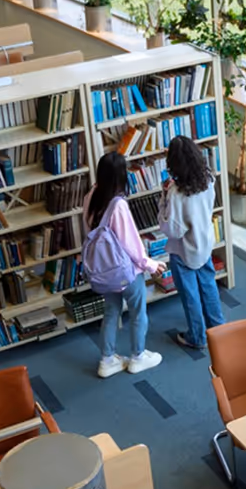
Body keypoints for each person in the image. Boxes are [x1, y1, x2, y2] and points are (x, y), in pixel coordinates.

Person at [83, 152, 165, 378]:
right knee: (138, 311)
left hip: (103, 271)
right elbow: (131, 244)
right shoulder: (117, 205)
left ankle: (107, 360)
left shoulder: (90, 195)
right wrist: (150, 264)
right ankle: (138, 357)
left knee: (111, 311)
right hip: (125, 271)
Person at [157, 136, 225, 349]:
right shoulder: (208, 179)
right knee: (208, 285)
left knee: (190, 295)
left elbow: (173, 230)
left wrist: (163, 199)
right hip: (204, 243)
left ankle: (197, 336)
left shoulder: (176, 193)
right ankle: (219, 330)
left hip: (183, 250)